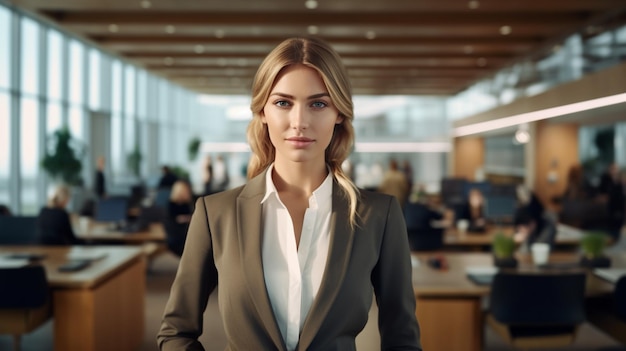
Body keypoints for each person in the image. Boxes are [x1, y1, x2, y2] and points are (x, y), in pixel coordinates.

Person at [157, 36, 422, 350]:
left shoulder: (378, 215)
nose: (300, 122)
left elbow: (402, 338)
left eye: (318, 104)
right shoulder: (216, 214)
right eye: (283, 103)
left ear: (339, 112)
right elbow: (176, 333)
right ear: (263, 112)